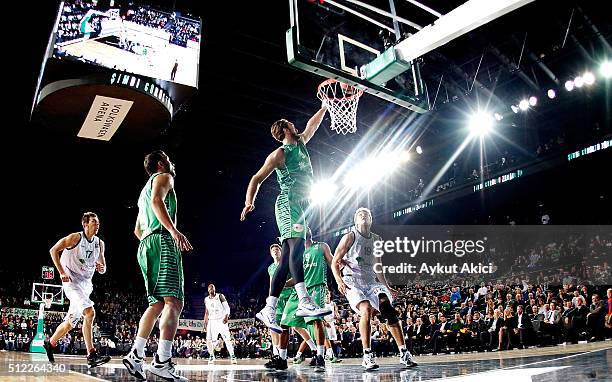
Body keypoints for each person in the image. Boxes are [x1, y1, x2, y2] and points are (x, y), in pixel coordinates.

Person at [241, 105, 330, 332]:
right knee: (296, 250)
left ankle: (269, 309)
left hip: (301, 205)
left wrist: (324, 108)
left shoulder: (300, 143)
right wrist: (249, 202)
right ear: (284, 129)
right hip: (288, 203)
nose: (295, 124)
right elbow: (256, 178)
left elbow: (313, 125)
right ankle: (304, 300)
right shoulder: (279, 154)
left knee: (288, 256)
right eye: (290, 123)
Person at [123, 150, 193, 382]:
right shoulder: (164, 177)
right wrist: (172, 231)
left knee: (158, 303)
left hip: (146, 244)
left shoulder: (143, 190)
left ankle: (136, 354)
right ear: (162, 164)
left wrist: (151, 241)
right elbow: (157, 201)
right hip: (161, 240)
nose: (173, 163)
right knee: (174, 301)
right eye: (170, 160)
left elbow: (137, 230)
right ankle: (162, 362)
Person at [332, 207, 417, 370]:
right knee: (366, 309)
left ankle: (404, 352)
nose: (364, 215)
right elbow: (335, 260)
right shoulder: (350, 237)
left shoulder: (377, 239)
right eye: (360, 214)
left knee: (388, 309)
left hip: (371, 281)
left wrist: (387, 287)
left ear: (371, 220)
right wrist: (339, 281)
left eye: (367, 214)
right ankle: (367, 354)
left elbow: (378, 266)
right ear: (355, 221)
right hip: (352, 281)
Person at [44, 212, 110, 368]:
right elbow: (53, 250)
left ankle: (50, 343)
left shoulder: (100, 243)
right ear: (85, 224)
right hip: (72, 282)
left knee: (70, 323)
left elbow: (103, 265)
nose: (97, 224)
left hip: (86, 285)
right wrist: (61, 272)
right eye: (94, 221)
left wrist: (102, 268)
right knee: (90, 312)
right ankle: (91, 355)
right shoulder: (75, 238)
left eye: (98, 222)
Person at [274, 228, 333, 370]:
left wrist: (340, 278)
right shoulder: (296, 254)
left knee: (316, 321)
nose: (303, 228)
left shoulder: (321, 246)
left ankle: (320, 356)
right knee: (284, 324)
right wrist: (279, 285)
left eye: (306, 226)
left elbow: (332, 262)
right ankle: (282, 359)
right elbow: (294, 279)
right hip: (297, 292)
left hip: (315, 288)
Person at [204, 284, 237, 364]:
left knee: (227, 339)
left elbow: (227, 307)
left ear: (215, 289)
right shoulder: (206, 299)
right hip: (212, 321)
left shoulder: (220, 296)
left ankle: (232, 356)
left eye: (213, 288)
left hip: (221, 320)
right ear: (208, 290)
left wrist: (226, 316)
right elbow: (206, 312)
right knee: (209, 340)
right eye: (210, 288)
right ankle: (211, 355)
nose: (211, 289)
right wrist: (205, 323)